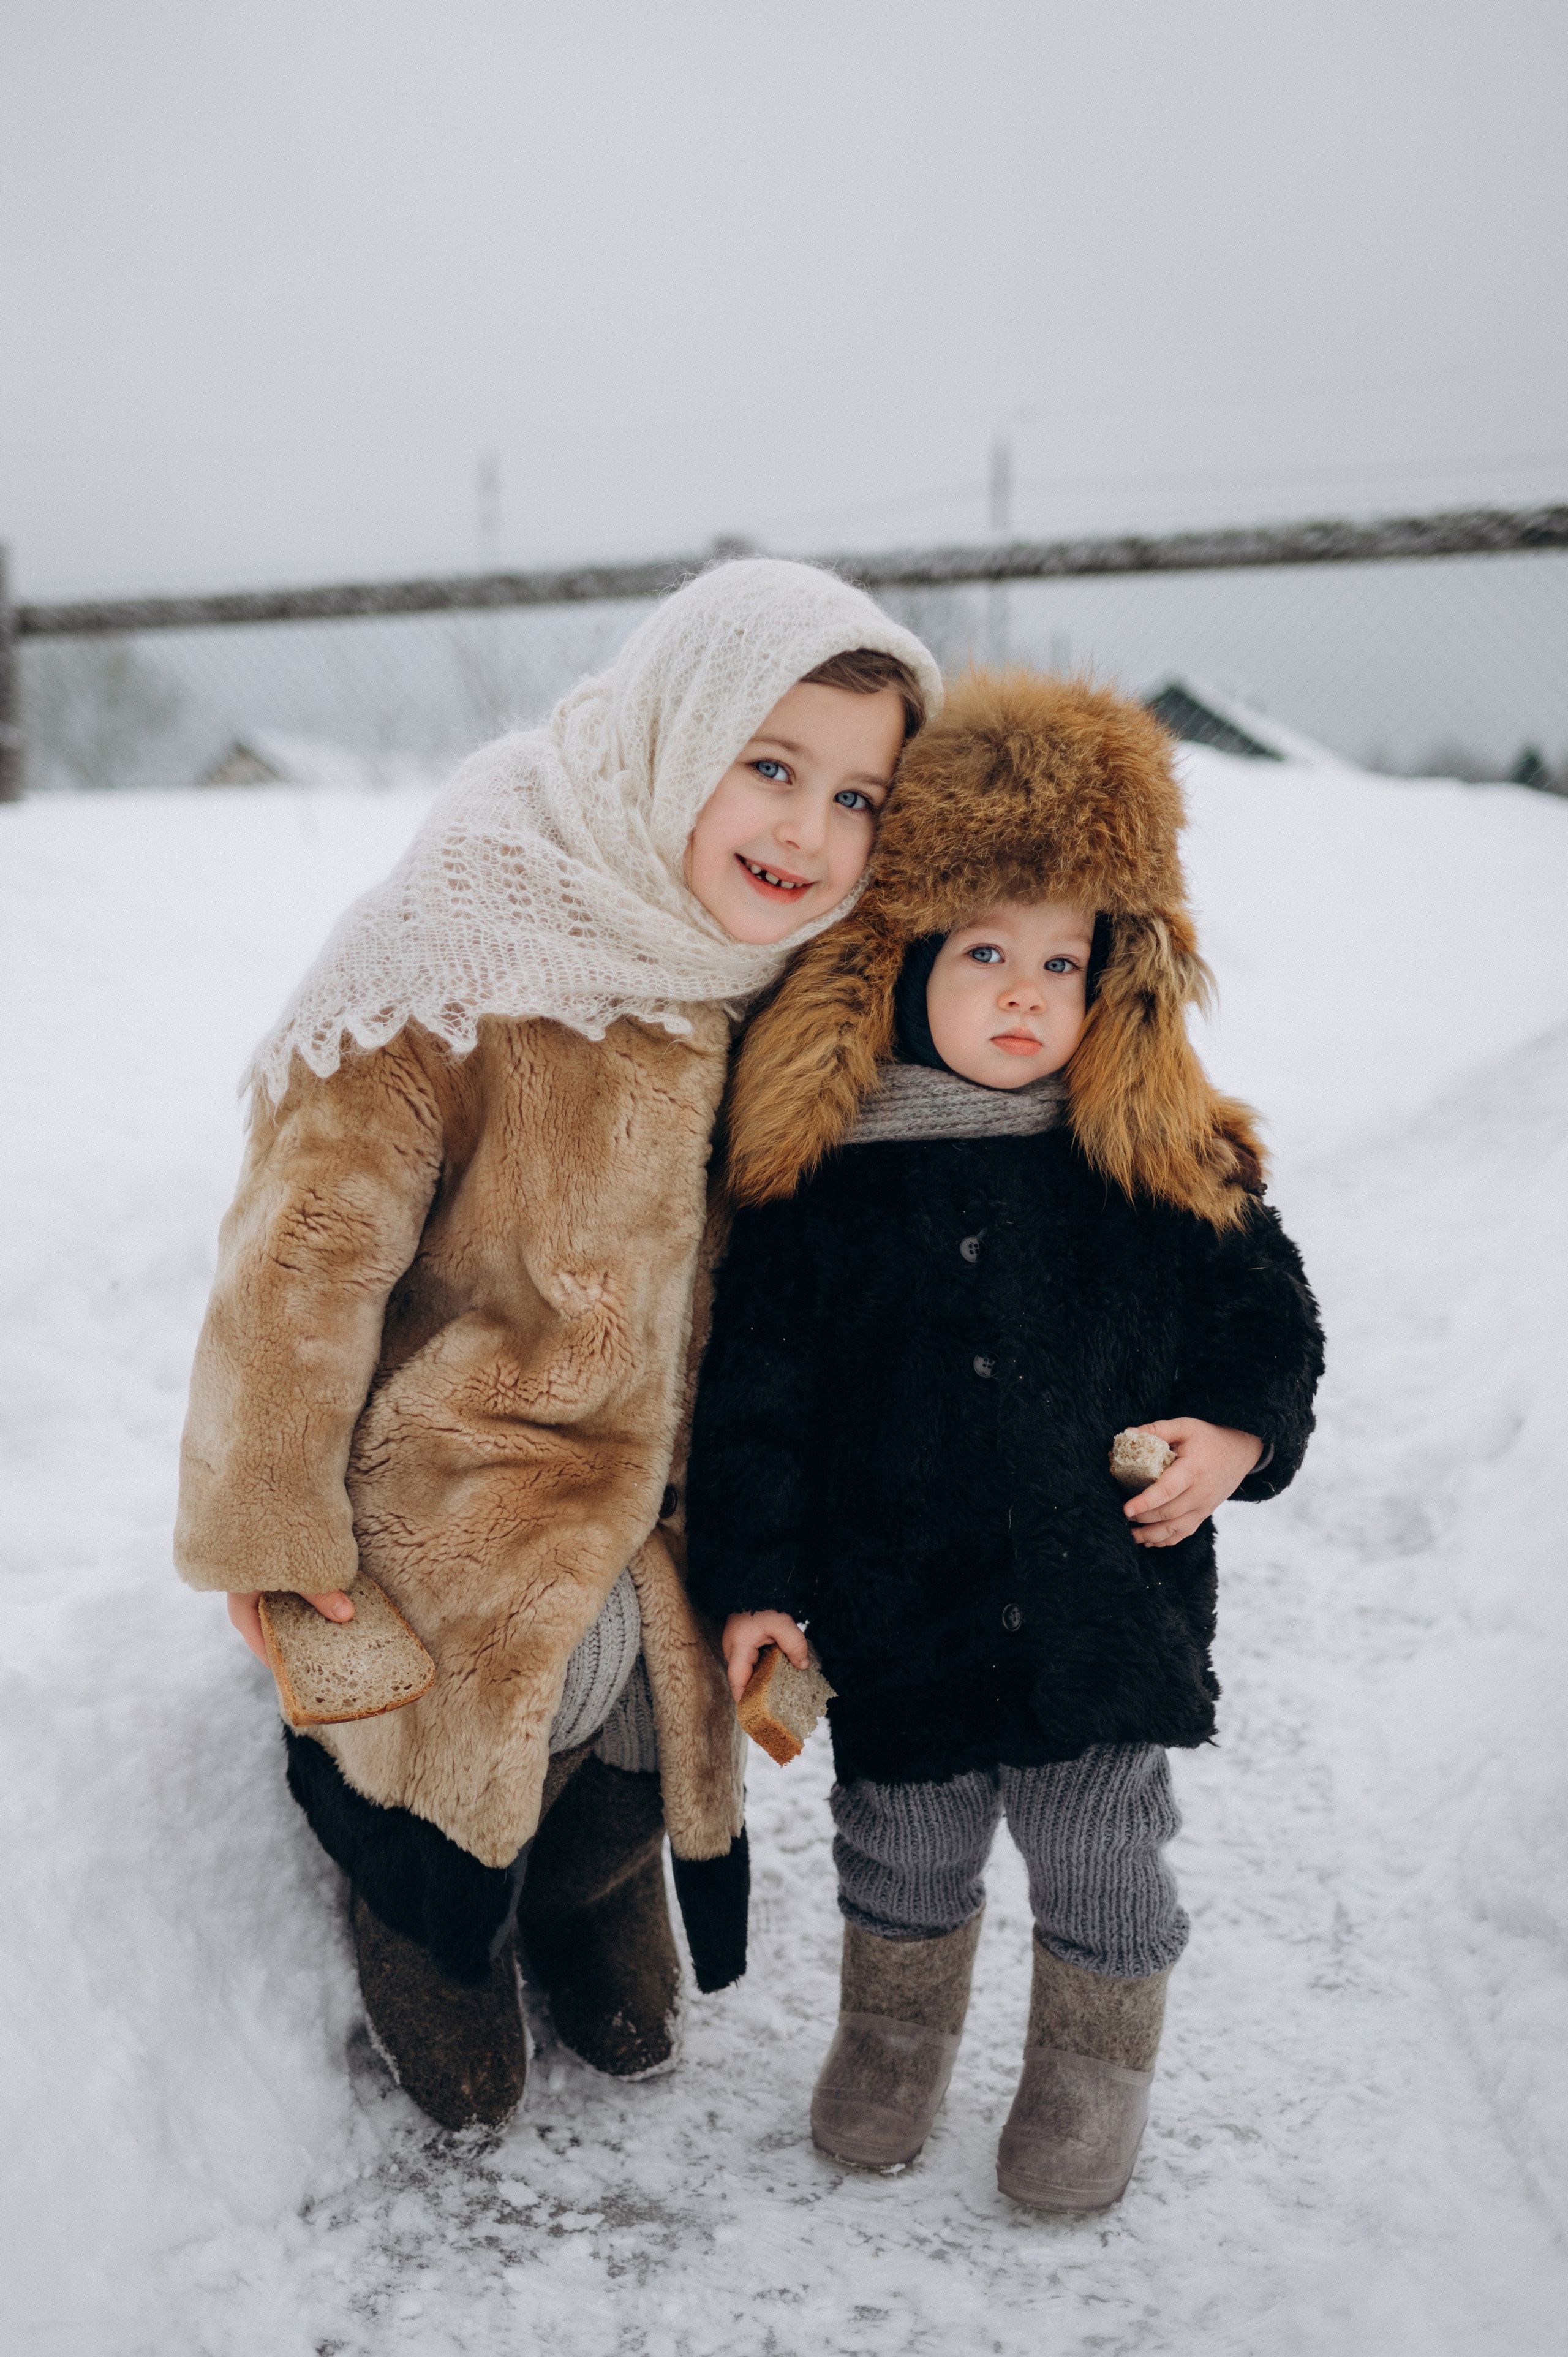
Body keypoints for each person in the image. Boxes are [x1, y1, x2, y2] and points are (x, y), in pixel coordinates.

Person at [173, 558, 942, 2132]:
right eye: (771, 766)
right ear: (677, 735)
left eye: (857, 797)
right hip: (459, 1474)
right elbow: (307, 1254)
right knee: (555, 1638)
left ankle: (588, 1882)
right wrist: (270, 1530)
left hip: (681, 1476)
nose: (809, 832)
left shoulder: (796, 990)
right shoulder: (471, 939)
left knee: (696, 1656)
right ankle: (432, 1904)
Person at [684, 667, 1325, 2213]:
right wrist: (755, 1581)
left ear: (1117, 977)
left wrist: (1232, 1435)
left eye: (1060, 959)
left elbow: (1267, 1322)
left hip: (1096, 1606)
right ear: (904, 961)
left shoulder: (1149, 1160)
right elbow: (756, 1397)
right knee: (898, 1842)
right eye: (983, 951)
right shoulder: (827, 1185)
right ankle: (891, 2038)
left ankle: (1089, 2069)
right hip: (894, 1609)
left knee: (1098, 1847)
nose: (1023, 991)